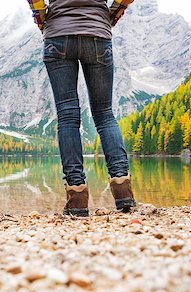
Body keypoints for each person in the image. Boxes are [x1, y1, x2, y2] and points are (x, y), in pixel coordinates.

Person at [27, 0, 136, 216]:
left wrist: (42, 19)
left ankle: (77, 197)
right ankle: (123, 190)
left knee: (67, 116)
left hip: (58, 35)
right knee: (104, 114)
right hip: (97, 33)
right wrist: (111, 15)